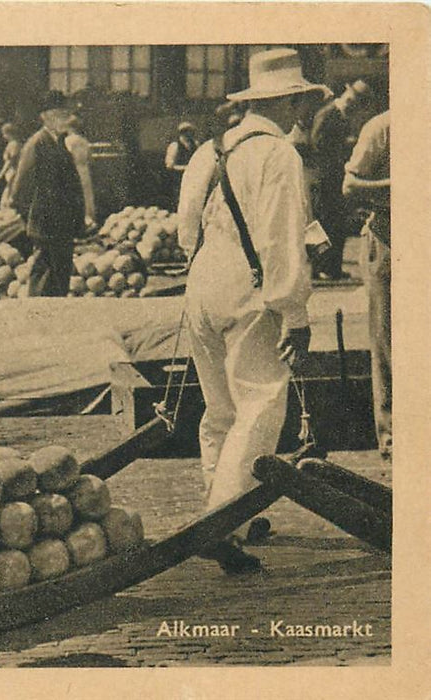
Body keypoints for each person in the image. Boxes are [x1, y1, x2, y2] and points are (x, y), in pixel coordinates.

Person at [177, 48, 323, 573]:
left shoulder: (210, 150)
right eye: (301, 101)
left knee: (220, 409)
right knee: (260, 403)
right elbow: (280, 240)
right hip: (249, 288)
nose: (303, 111)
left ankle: (224, 507)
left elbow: (183, 229)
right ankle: (224, 522)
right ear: (289, 103)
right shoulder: (280, 155)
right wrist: (295, 314)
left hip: (202, 285)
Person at [343, 110, 390, 459]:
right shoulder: (382, 127)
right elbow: (351, 184)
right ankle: (392, 439)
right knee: (388, 342)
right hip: (388, 242)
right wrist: (398, 185)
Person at [7, 90, 85, 297]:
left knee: (60, 277)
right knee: (43, 278)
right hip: (46, 224)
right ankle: (36, 319)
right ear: (46, 117)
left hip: (63, 224)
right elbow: (19, 189)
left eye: (65, 115)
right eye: (60, 115)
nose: (65, 120)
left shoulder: (60, 143)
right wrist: (32, 218)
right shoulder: (36, 144)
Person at [310, 78, 372, 279]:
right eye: (351, 99)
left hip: (337, 178)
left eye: (356, 102)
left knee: (338, 223)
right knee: (323, 223)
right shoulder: (328, 114)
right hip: (325, 178)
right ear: (345, 93)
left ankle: (332, 267)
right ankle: (319, 266)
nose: (352, 104)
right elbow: (317, 143)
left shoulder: (342, 116)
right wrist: (343, 148)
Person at [64, 115, 97, 229]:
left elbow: (66, 157)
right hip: (84, 169)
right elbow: (90, 158)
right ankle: (90, 219)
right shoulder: (84, 141)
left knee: (75, 194)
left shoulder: (67, 141)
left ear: (69, 127)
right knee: (87, 194)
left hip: (74, 169)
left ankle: (76, 221)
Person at [165, 121, 199, 214]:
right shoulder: (175, 146)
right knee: (180, 203)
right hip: (178, 179)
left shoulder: (195, 144)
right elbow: (169, 165)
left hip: (192, 179)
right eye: (186, 131)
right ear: (181, 133)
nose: (189, 134)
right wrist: (186, 168)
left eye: (191, 131)